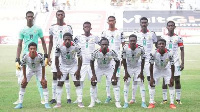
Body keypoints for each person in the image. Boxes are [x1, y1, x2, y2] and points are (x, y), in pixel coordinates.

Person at [15, 11, 48, 105]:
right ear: (26, 18)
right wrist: (17, 58)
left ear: (33, 18)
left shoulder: (38, 29)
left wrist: (46, 55)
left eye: (31, 17)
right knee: (21, 79)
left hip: (36, 56)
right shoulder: (22, 30)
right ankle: (19, 100)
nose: (30, 18)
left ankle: (43, 98)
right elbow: (19, 45)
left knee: (40, 78)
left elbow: (43, 42)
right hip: (25, 56)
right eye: (28, 16)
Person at [129, 17, 157, 104]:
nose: (144, 24)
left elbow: (156, 45)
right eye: (142, 23)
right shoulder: (136, 34)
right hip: (138, 60)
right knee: (135, 79)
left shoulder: (152, 34)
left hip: (148, 60)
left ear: (147, 24)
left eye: (145, 23)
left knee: (150, 78)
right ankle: (133, 99)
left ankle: (152, 99)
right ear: (140, 24)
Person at [14, 42, 51, 109]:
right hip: (29, 69)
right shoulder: (25, 56)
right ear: (29, 49)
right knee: (23, 83)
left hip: (38, 69)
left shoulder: (40, 56)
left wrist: (43, 78)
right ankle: (20, 104)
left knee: (44, 83)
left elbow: (43, 66)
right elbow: (24, 66)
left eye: (34, 48)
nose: (32, 50)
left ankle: (46, 103)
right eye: (31, 49)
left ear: (36, 49)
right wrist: (24, 77)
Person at [48, 10, 73, 104]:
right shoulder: (52, 27)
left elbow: (71, 41)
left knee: (66, 76)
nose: (60, 16)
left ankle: (68, 98)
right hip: (55, 54)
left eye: (62, 14)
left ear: (64, 15)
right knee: (55, 75)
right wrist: (48, 55)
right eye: (58, 14)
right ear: (56, 16)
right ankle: (54, 98)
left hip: (65, 54)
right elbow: (50, 42)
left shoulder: (68, 27)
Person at [53, 33, 84, 108]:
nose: (67, 41)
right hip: (63, 66)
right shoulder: (59, 46)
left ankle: (80, 102)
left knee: (77, 83)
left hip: (73, 65)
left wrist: (78, 70)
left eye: (69, 39)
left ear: (71, 40)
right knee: (60, 83)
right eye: (65, 39)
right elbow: (56, 59)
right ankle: (58, 103)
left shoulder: (76, 46)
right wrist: (58, 70)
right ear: (63, 40)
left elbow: (80, 58)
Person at [73, 21, 101, 104]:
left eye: (88, 26)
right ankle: (78, 98)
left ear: (91, 28)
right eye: (85, 27)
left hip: (92, 63)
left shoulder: (95, 37)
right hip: (82, 63)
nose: (87, 28)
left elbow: (103, 45)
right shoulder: (78, 37)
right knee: (79, 81)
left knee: (94, 81)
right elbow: (73, 45)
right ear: (83, 28)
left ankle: (95, 98)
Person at [89, 37, 121, 108]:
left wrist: (114, 74)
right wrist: (93, 75)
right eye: (103, 44)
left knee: (114, 82)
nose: (104, 46)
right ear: (100, 44)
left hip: (108, 68)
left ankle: (117, 102)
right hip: (99, 68)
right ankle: (92, 102)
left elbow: (117, 62)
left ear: (108, 45)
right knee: (93, 82)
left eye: (106, 44)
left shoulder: (112, 52)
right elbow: (91, 62)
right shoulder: (96, 52)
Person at [101, 16, 125, 103]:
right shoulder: (104, 32)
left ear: (115, 21)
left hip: (117, 57)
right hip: (107, 57)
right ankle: (108, 96)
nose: (111, 22)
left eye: (112, 20)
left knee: (117, 77)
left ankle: (116, 97)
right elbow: (102, 45)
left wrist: (123, 57)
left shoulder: (120, 32)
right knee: (108, 77)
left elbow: (123, 45)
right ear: (107, 22)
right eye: (109, 21)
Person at [148, 39, 176, 109]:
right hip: (157, 69)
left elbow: (172, 65)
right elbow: (151, 65)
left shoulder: (169, 53)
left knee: (171, 84)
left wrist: (172, 77)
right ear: (157, 45)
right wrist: (151, 78)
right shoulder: (153, 53)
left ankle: (172, 103)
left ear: (165, 45)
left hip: (166, 69)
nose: (161, 45)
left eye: (163, 44)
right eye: (159, 44)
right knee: (152, 84)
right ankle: (151, 102)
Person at [161, 21, 184, 105]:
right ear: (167, 27)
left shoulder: (178, 38)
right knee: (165, 80)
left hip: (176, 62)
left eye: (172, 26)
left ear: (175, 27)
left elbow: (182, 50)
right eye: (169, 26)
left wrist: (182, 63)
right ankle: (164, 99)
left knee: (177, 79)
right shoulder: (163, 37)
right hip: (166, 62)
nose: (170, 27)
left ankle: (178, 99)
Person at [122, 34, 147, 108]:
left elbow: (143, 60)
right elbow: (123, 60)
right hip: (128, 67)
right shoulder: (125, 48)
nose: (132, 42)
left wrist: (141, 72)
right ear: (129, 41)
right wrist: (126, 72)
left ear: (136, 41)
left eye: (134, 41)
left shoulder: (141, 48)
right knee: (127, 83)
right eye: (131, 41)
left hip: (137, 67)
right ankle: (126, 102)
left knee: (141, 83)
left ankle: (143, 102)